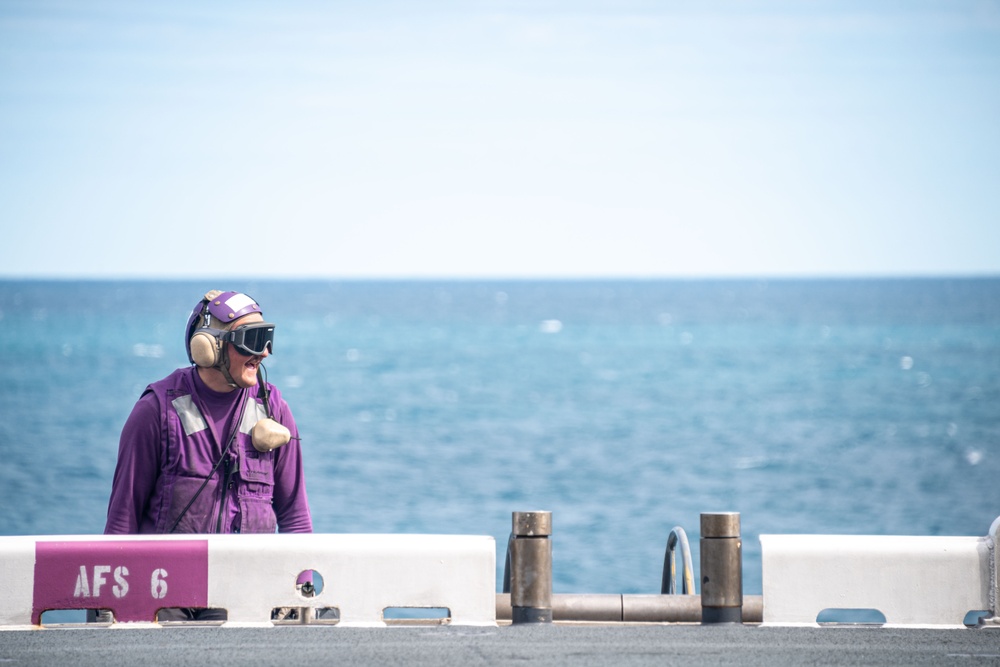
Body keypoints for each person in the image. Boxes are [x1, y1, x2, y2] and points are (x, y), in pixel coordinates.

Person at [103, 290, 312, 620]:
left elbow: (295, 515)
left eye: (267, 339)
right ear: (209, 347)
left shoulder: (274, 412)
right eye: (251, 340)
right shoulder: (156, 411)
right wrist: (109, 606)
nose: (264, 353)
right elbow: (122, 520)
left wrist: (302, 591)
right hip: (164, 598)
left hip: (245, 596)